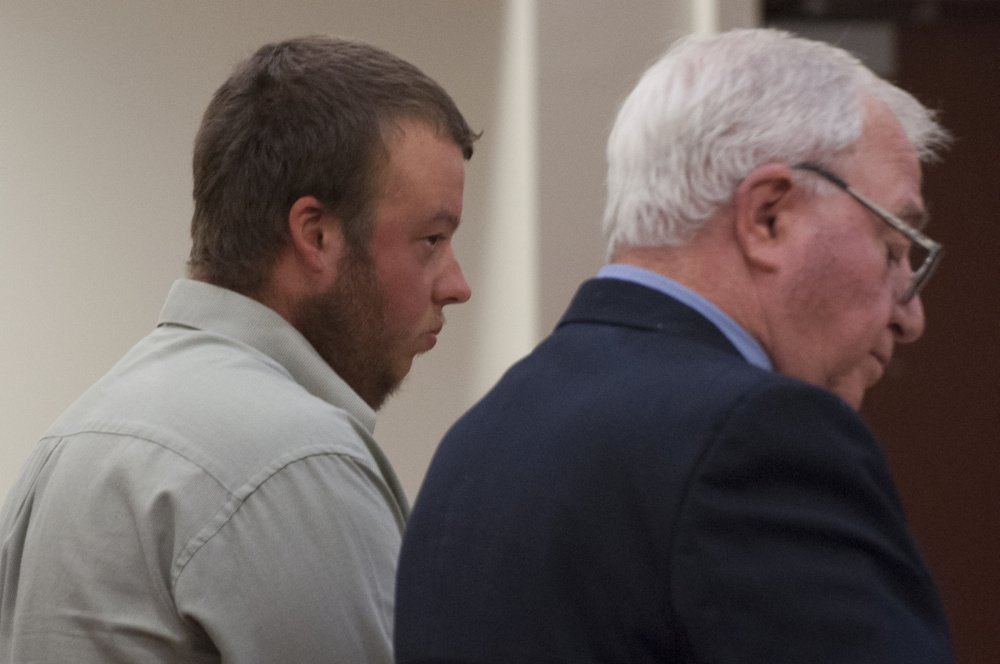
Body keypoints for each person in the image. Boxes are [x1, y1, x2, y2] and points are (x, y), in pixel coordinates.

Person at [394, 28, 953, 663]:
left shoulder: (484, 433)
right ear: (769, 216)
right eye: (893, 249)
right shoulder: (759, 439)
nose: (912, 317)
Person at [0, 35, 476, 663]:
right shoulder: (294, 462)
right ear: (317, 235)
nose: (458, 285)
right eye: (432, 239)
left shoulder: (69, 441)